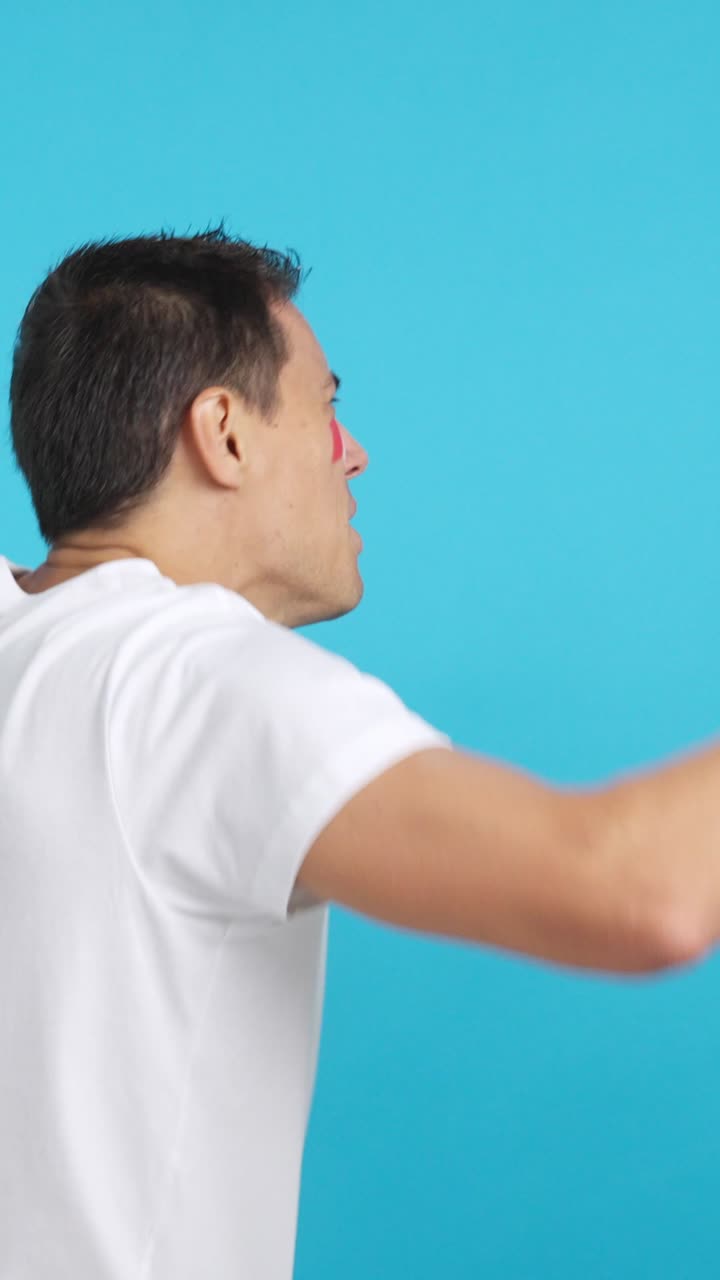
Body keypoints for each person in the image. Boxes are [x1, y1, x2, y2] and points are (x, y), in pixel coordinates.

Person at [0, 224, 714, 1280]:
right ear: (224, 434)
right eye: (326, 406)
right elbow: (639, 891)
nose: (354, 451)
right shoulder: (198, 682)